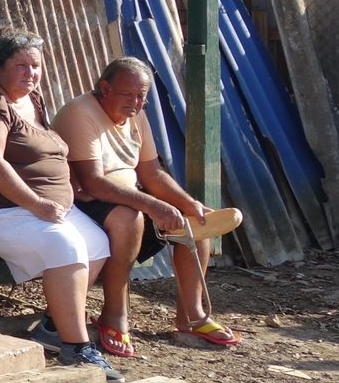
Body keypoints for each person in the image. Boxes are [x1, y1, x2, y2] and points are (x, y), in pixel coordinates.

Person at [0, 29, 121, 383]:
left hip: (35, 206)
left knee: (97, 243)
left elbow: (43, 148)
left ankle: (54, 327)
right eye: (21, 66)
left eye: (36, 66)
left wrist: (67, 187)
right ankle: (77, 348)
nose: (30, 73)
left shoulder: (31, 98)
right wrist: (38, 203)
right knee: (65, 244)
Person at [54, 56, 240, 356]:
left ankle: (192, 315)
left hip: (127, 196)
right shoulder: (80, 112)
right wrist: (154, 206)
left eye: (141, 96)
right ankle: (114, 314)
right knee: (131, 219)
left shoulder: (136, 115)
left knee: (193, 220)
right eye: (127, 94)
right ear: (105, 87)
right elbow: (93, 183)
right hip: (83, 202)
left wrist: (188, 203)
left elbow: (151, 173)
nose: (135, 102)